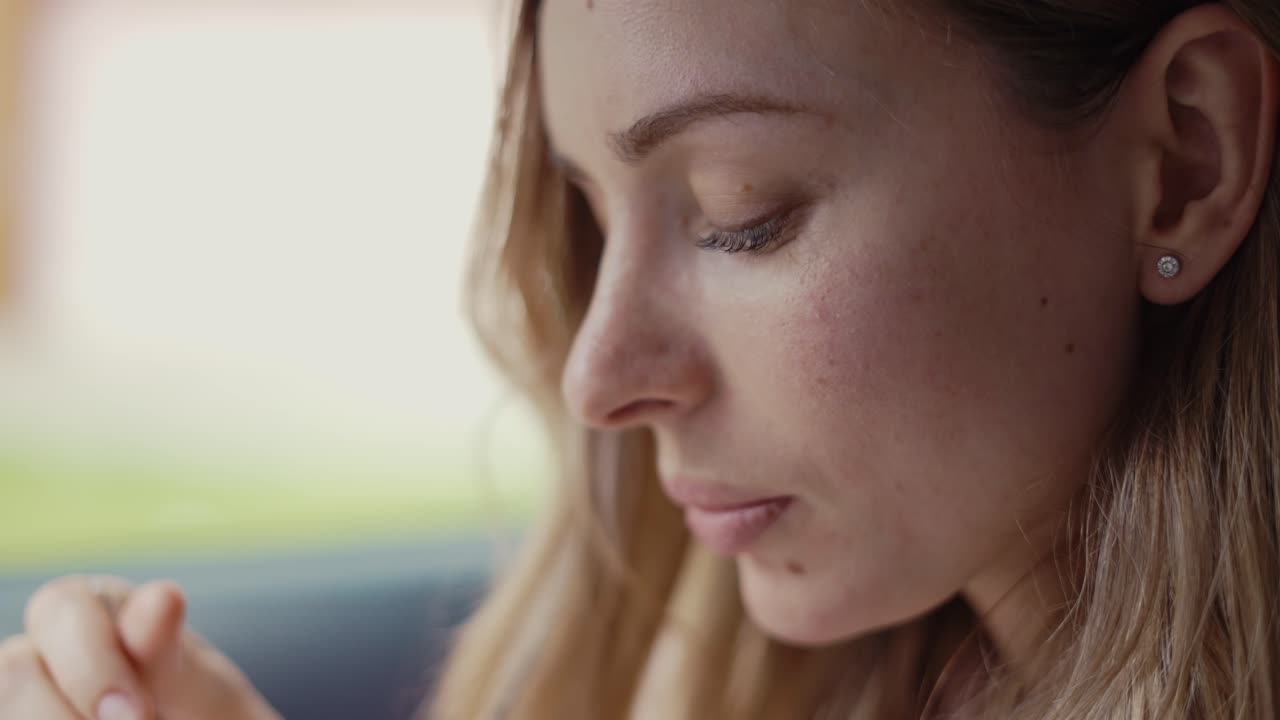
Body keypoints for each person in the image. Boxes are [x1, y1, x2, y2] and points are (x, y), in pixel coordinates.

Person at [4, 0, 1280, 717]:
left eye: (741, 211)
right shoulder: (755, 674)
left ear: (1186, 157)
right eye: (591, 215)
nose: (597, 377)